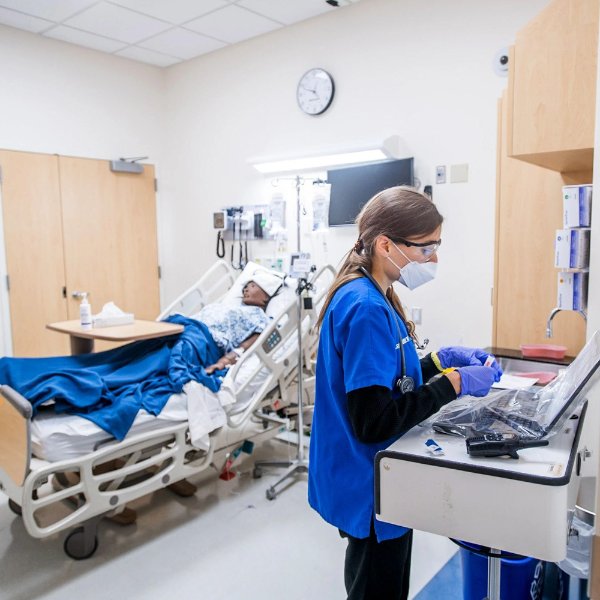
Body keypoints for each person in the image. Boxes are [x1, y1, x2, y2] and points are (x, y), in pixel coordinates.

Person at [307, 186, 502, 600]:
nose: (433, 259)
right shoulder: (365, 307)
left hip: (376, 480)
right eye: (426, 248)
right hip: (369, 483)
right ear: (385, 244)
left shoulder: (375, 292)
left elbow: (390, 380)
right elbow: (374, 421)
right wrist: (455, 384)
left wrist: (440, 362)